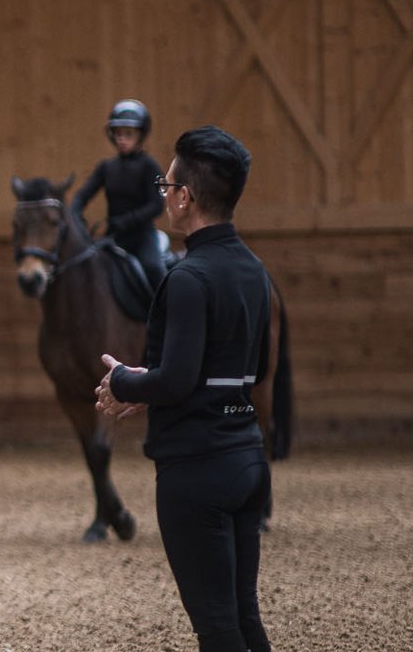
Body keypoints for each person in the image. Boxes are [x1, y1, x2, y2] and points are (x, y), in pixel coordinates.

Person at [96, 125, 273, 652]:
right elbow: (255, 369)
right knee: (244, 618)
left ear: (185, 198)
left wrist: (123, 380)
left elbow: (174, 379)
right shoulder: (254, 270)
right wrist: (145, 387)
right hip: (246, 460)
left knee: (217, 629)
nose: (164, 194)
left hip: (196, 473)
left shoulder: (189, 278)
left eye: (166, 185)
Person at [71, 99, 167, 287]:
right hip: (114, 236)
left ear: (140, 136)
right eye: (118, 134)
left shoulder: (149, 166)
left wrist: (128, 220)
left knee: (153, 268)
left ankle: (165, 312)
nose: (122, 139)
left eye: (129, 134)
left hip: (142, 237)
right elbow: (83, 195)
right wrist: (74, 212)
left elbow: (156, 205)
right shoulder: (106, 167)